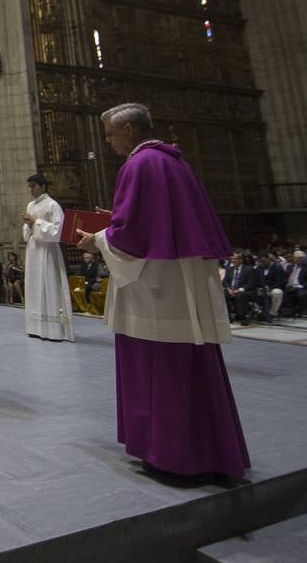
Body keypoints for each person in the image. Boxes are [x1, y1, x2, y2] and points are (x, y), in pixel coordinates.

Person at [78, 102, 249, 481]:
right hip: (181, 280)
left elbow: (133, 237)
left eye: (109, 134)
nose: (108, 143)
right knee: (192, 366)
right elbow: (155, 221)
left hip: (155, 289)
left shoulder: (138, 165)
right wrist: (115, 224)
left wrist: (97, 239)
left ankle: (169, 455)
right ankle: (207, 453)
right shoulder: (174, 163)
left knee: (159, 367)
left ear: (128, 130)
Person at [21, 173, 74, 341]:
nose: (31, 190)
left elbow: (58, 231)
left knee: (48, 284)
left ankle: (53, 329)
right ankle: (35, 327)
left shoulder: (53, 205)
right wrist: (29, 225)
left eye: (33, 186)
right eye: (29, 187)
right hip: (33, 249)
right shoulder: (30, 205)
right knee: (34, 286)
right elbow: (26, 230)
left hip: (47, 251)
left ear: (43, 186)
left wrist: (35, 222)